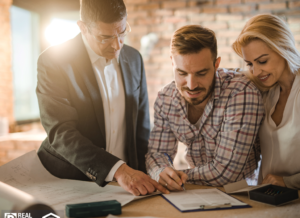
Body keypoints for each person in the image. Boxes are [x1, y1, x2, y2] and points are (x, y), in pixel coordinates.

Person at [36, 0, 168, 196]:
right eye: (105, 37)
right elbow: (60, 132)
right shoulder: (53, 61)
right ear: (82, 28)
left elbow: (140, 129)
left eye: (122, 33)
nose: (117, 45)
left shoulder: (134, 58)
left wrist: (148, 173)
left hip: (126, 185)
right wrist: (118, 170)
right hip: (70, 179)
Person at [145, 25, 264, 190]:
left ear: (216, 64)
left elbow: (227, 172)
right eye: (182, 73)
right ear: (172, 62)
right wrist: (161, 171)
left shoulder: (240, 92)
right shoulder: (166, 99)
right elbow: (157, 154)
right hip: (196, 194)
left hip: (242, 195)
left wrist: (178, 177)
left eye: (201, 73)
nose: (191, 85)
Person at [232, 14, 300, 190]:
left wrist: (288, 182)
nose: (255, 71)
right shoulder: (264, 92)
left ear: (283, 48)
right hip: (267, 199)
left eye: (262, 61)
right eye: (250, 64)